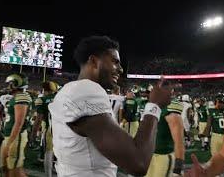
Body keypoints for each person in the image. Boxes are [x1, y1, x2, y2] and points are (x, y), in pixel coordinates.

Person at [48, 36, 172, 177]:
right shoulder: (85, 90)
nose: (120, 69)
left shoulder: (70, 90)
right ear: (94, 61)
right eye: (115, 62)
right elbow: (139, 163)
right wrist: (154, 105)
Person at [0, 73, 32, 177]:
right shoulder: (16, 97)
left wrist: (9, 143)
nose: (7, 86)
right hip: (9, 135)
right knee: (5, 167)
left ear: (16, 84)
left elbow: (18, 123)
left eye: (10, 84)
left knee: (15, 171)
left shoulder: (21, 97)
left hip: (15, 137)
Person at [145, 95, 185, 177]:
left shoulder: (170, 109)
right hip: (148, 155)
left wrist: (178, 168)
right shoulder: (151, 106)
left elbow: (179, 141)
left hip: (163, 157)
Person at [31, 81, 59, 177]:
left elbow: (38, 120)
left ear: (44, 89)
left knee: (48, 153)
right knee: (60, 153)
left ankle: (48, 175)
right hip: (62, 130)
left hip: (49, 129)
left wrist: (33, 134)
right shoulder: (61, 98)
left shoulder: (41, 100)